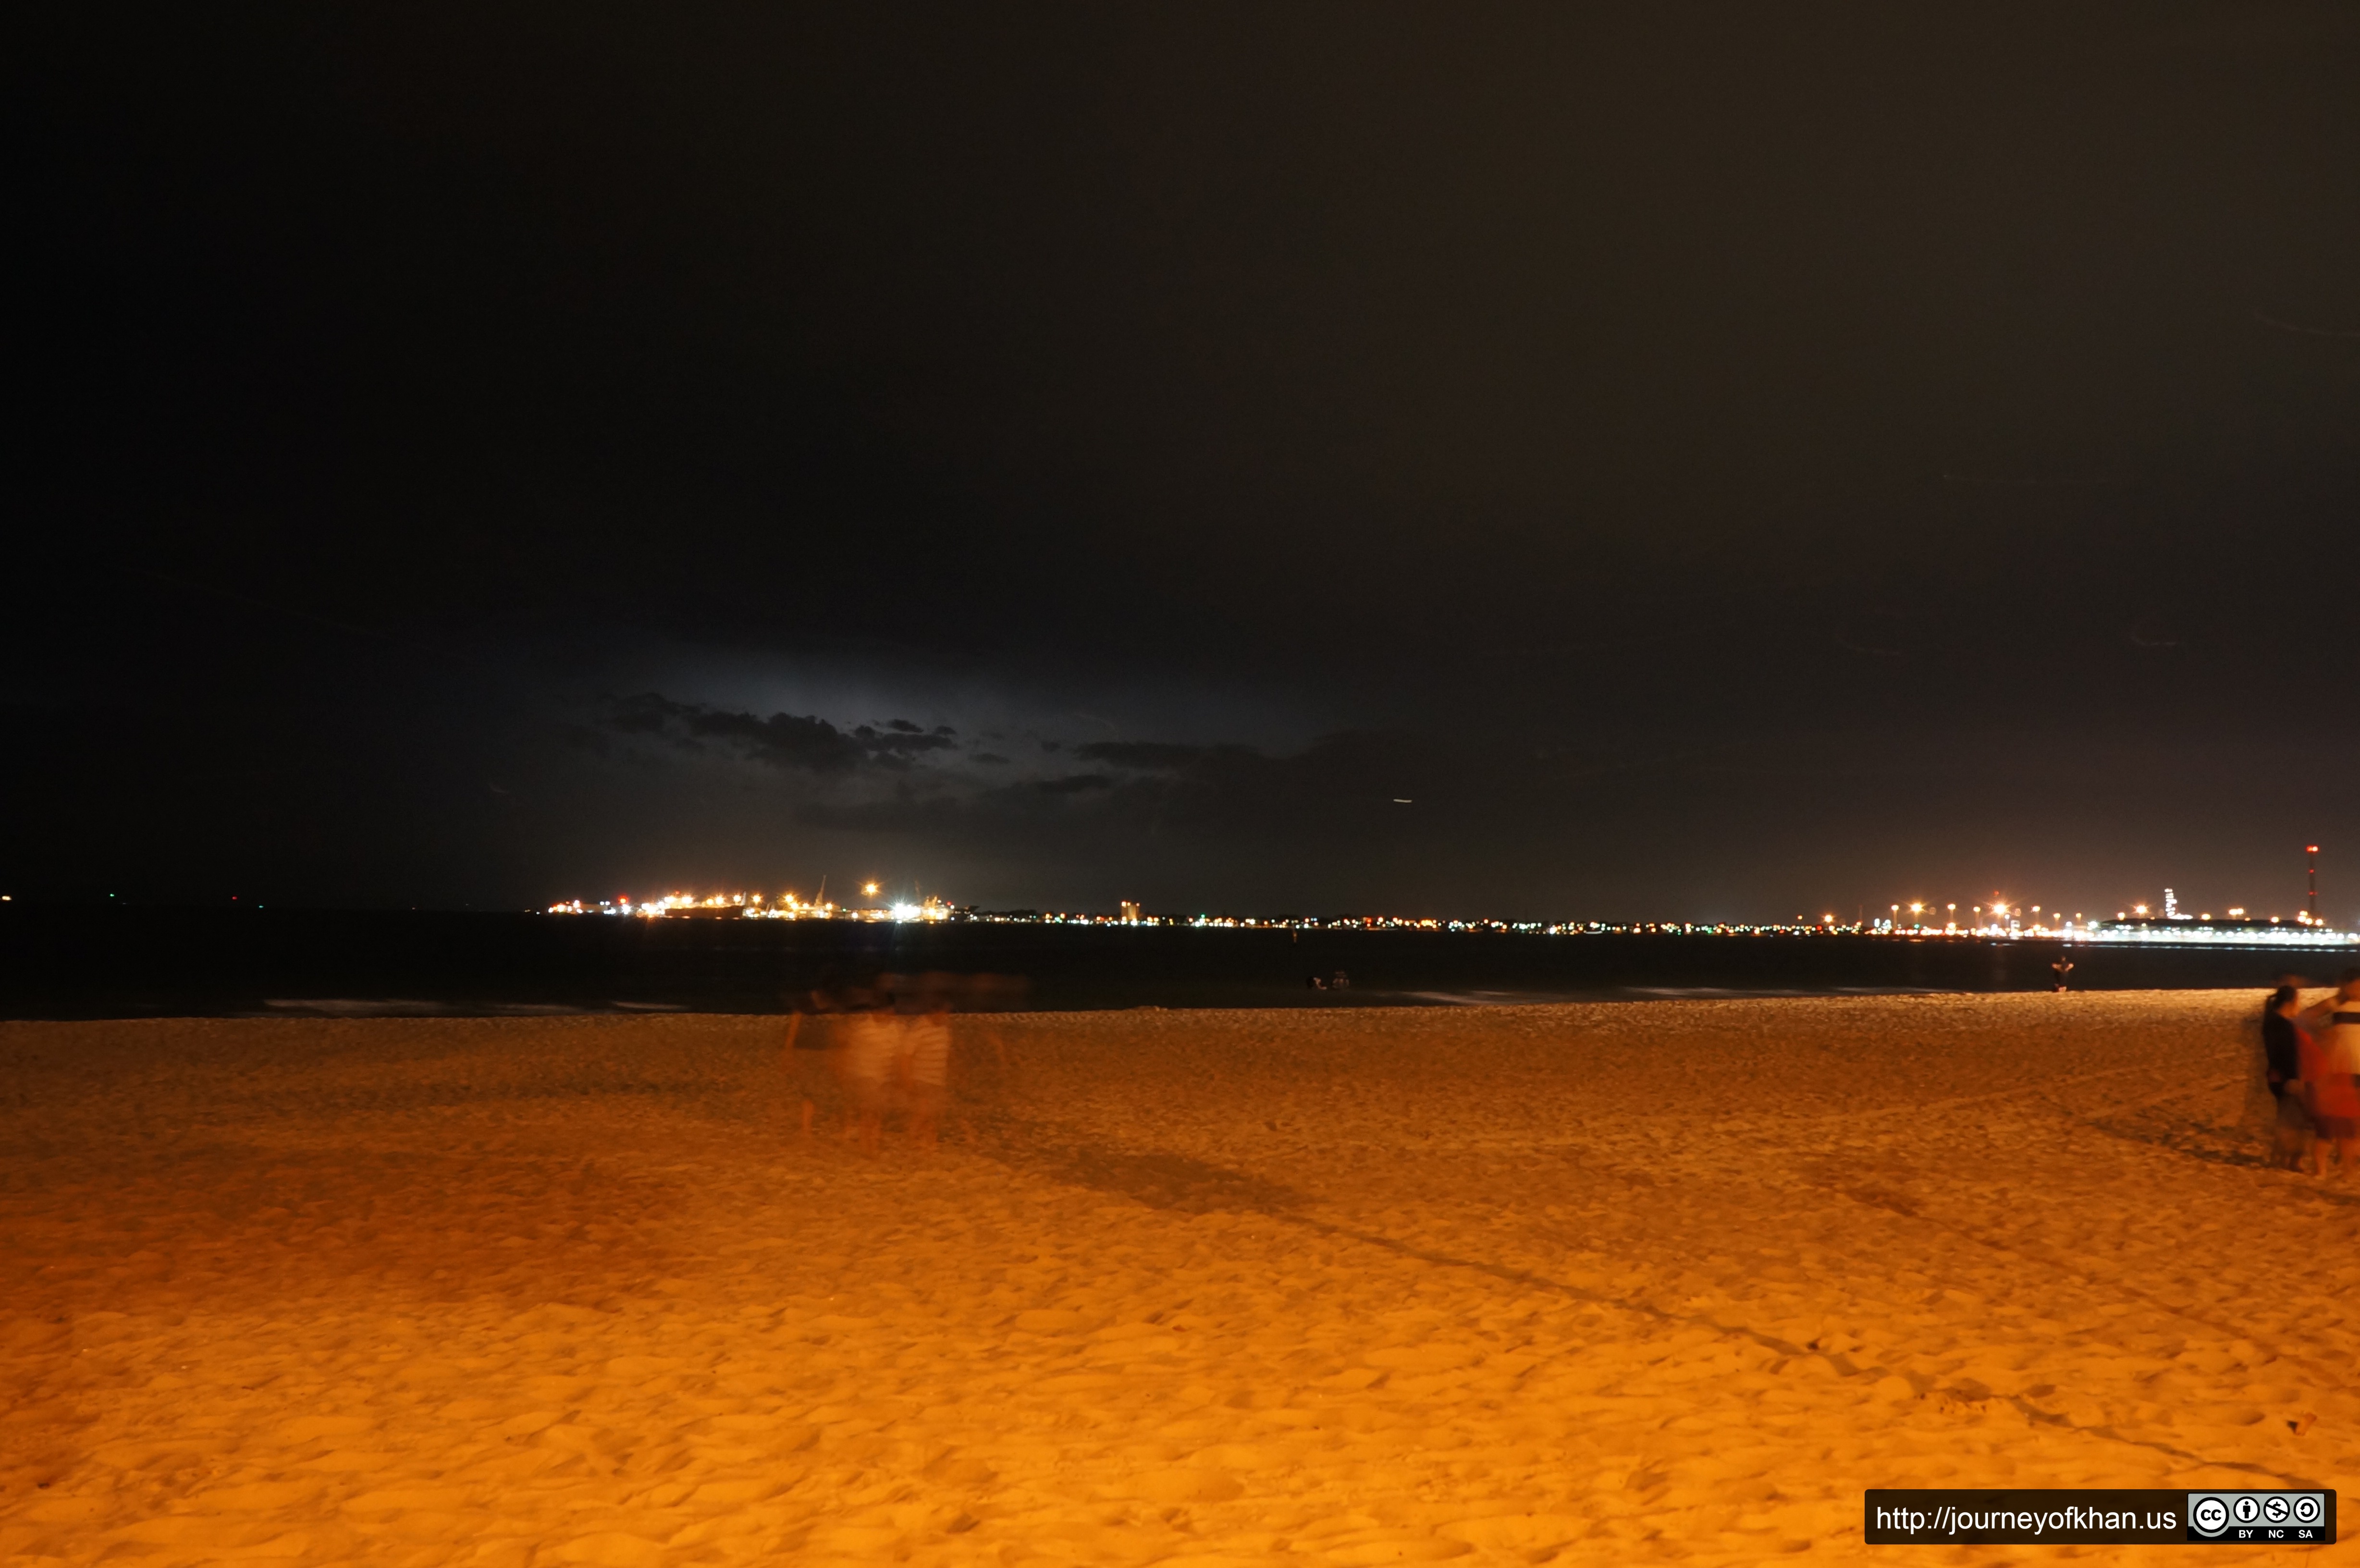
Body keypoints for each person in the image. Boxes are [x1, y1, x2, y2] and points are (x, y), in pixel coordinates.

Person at [2299, 972, 2360, 1176]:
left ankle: (2349, 1164)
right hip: (2342, 1068)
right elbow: (2306, 1017)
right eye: (2355, 986)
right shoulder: (2336, 1004)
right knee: (2343, 1118)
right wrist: (2323, 1034)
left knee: (2355, 1120)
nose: (2358, 990)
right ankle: (2342, 1164)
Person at [2262, 983, 2314, 1170]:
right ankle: (2288, 1161)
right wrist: (2292, 1078)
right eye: (2298, 1002)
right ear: (2291, 1002)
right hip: (2285, 1078)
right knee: (2293, 1121)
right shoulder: (2283, 1025)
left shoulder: (2270, 1022)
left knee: (2285, 1118)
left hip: (2274, 1077)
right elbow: (2286, 1055)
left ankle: (2280, 1159)